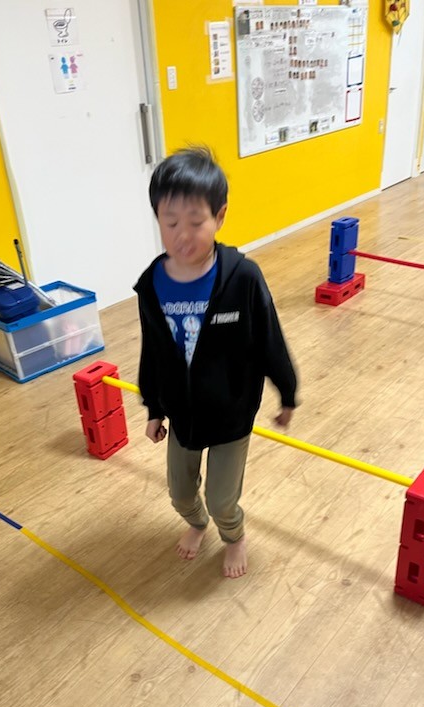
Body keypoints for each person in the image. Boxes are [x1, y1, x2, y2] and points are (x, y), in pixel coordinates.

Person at [133, 146, 298, 578]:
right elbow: (153, 351)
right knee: (180, 495)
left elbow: (270, 339)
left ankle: (233, 535)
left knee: (223, 499)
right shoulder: (152, 285)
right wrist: (154, 408)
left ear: (219, 216)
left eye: (195, 222)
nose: (182, 235)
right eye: (170, 223)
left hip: (230, 415)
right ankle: (197, 524)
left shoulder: (242, 278)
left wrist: (287, 392)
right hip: (182, 416)